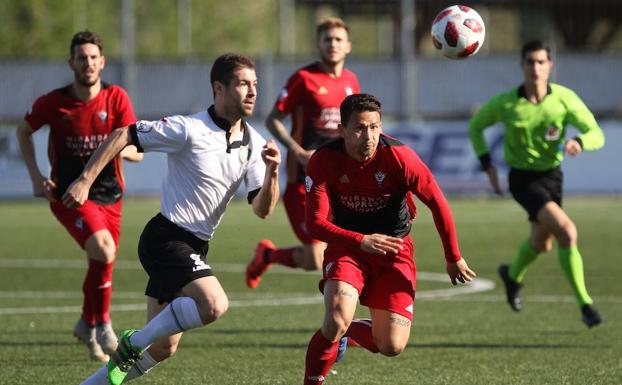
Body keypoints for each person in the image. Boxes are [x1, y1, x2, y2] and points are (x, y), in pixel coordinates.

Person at [64, 53, 281, 385]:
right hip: (166, 238)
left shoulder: (252, 142)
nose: (252, 92)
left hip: (195, 246)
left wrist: (273, 173)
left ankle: (92, 384)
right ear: (219, 89)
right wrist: (85, 180)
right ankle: (132, 341)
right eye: (242, 84)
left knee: (165, 346)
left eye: (255, 84)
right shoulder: (189, 128)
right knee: (213, 304)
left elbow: (262, 209)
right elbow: (124, 134)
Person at [302, 93, 476, 385]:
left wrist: (453, 256)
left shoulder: (399, 156)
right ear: (342, 129)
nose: (368, 136)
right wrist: (360, 240)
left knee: (391, 346)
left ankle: (352, 332)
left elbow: (438, 203)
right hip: (348, 248)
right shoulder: (324, 160)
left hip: (396, 250)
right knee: (334, 321)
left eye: (374, 127)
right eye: (359, 128)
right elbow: (315, 224)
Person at [16, 30, 142, 362]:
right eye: (81, 57)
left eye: (93, 57)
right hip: (68, 196)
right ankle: (102, 324)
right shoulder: (54, 103)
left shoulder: (116, 98)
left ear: (102, 62)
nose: (87, 63)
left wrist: (124, 150)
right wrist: (35, 176)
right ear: (71, 62)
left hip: (110, 196)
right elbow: (23, 130)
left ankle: (87, 322)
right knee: (104, 249)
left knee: (103, 259)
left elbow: (135, 144)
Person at [467, 40, 605, 327]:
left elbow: (596, 133)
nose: (535, 68)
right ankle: (586, 305)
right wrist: (487, 165)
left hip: (553, 177)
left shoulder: (564, 99)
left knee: (542, 244)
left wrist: (580, 141)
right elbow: (476, 126)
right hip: (522, 179)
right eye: (530, 62)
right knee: (567, 231)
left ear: (550, 66)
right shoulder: (506, 103)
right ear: (522, 66)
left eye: (541, 62)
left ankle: (512, 274)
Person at [245, 17, 360, 289]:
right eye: (327, 39)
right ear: (318, 44)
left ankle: (267, 255)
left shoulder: (351, 81)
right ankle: (337, 315)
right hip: (302, 181)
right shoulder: (304, 79)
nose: (333, 44)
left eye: (338, 39)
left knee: (316, 258)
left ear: (348, 47)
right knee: (318, 257)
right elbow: (273, 119)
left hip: (337, 181)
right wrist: (297, 152)